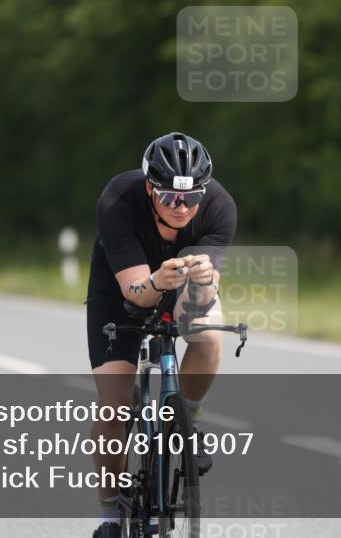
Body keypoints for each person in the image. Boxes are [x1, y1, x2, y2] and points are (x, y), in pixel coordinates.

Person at [86, 132, 236, 538]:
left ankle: (188, 420)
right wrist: (156, 279)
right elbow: (134, 292)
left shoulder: (219, 207)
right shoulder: (119, 200)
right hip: (124, 285)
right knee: (114, 408)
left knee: (206, 333)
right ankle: (109, 515)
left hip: (182, 284)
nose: (183, 207)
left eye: (192, 197)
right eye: (170, 198)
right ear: (150, 188)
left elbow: (199, 301)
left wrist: (203, 281)